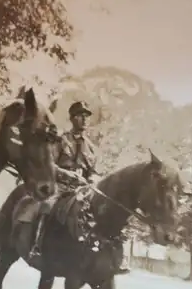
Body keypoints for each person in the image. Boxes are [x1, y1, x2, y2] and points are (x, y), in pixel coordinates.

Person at [28, 101, 131, 274]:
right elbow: (49, 164)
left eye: (86, 116)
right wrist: (66, 174)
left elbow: (94, 172)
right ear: (72, 118)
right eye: (80, 116)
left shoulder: (91, 147)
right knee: (47, 205)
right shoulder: (60, 140)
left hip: (82, 190)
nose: (84, 120)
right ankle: (37, 246)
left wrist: (91, 179)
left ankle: (110, 257)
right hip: (60, 186)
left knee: (104, 211)